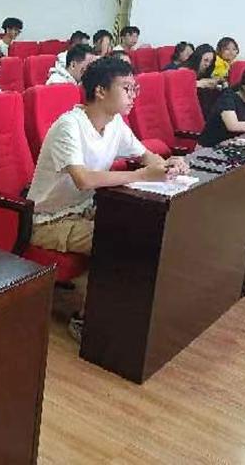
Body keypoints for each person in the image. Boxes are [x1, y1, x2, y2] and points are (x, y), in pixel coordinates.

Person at [27, 56, 188, 341]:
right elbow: (84, 179)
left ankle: (126, 309)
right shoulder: (69, 126)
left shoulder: (115, 124)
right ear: (100, 91)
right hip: (49, 221)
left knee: (145, 227)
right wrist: (141, 175)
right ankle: (86, 319)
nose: (133, 95)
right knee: (118, 239)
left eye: (135, 88)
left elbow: (145, 155)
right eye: (126, 88)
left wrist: (168, 164)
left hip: (84, 209)